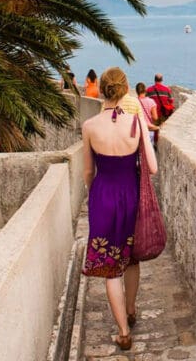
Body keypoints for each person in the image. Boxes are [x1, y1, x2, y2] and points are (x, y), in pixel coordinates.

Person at [81, 67, 158, 351]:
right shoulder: (137, 122)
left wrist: (95, 194)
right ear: (125, 90)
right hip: (131, 196)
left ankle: (123, 332)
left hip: (103, 197)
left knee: (110, 266)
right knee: (132, 258)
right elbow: (153, 167)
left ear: (102, 90)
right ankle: (131, 309)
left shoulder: (89, 126)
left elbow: (88, 172)